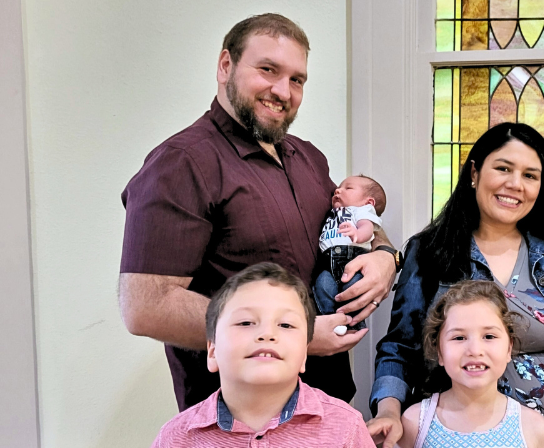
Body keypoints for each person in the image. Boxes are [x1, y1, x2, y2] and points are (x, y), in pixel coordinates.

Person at [118, 13, 400, 410]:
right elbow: (146, 307)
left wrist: (387, 256)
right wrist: (296, 334)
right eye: (268, 70)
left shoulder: (308, 159)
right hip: (236, 424)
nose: (283, 90)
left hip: (326, 407)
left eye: (297, 79)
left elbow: (359, 217)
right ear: (225, 66)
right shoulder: (180, 164)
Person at [368, 122, 544, 448]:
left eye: (530, 175)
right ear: (474, 173)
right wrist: (390, 411)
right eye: (503, 168)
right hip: (459, 447)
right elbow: (401, 347)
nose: (515, 184)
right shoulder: (430, 252)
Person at [128, 263, 401, 448]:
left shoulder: (346, 428)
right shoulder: (174, 441)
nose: (267, 334)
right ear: (212, 351)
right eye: (246, 322)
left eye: (286, 325)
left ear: (305, 354)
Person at [387, 280, 544, 448]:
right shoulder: (414, 422)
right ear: (440, 352)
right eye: (459, 337)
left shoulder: (533, 428)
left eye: (489, 336)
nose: (475, 350)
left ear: (509, 347)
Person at [315, 175, 387, 332]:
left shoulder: (361, 210)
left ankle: (352, 321)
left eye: (348, 188)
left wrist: (358, 234)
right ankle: (330, 320)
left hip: (351, 259)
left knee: (353, 287)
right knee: (323, 285)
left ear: (368, 202)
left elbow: (367, 228)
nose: (337, 190)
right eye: (338, 187)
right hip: (328, 262)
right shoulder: (333, 213)